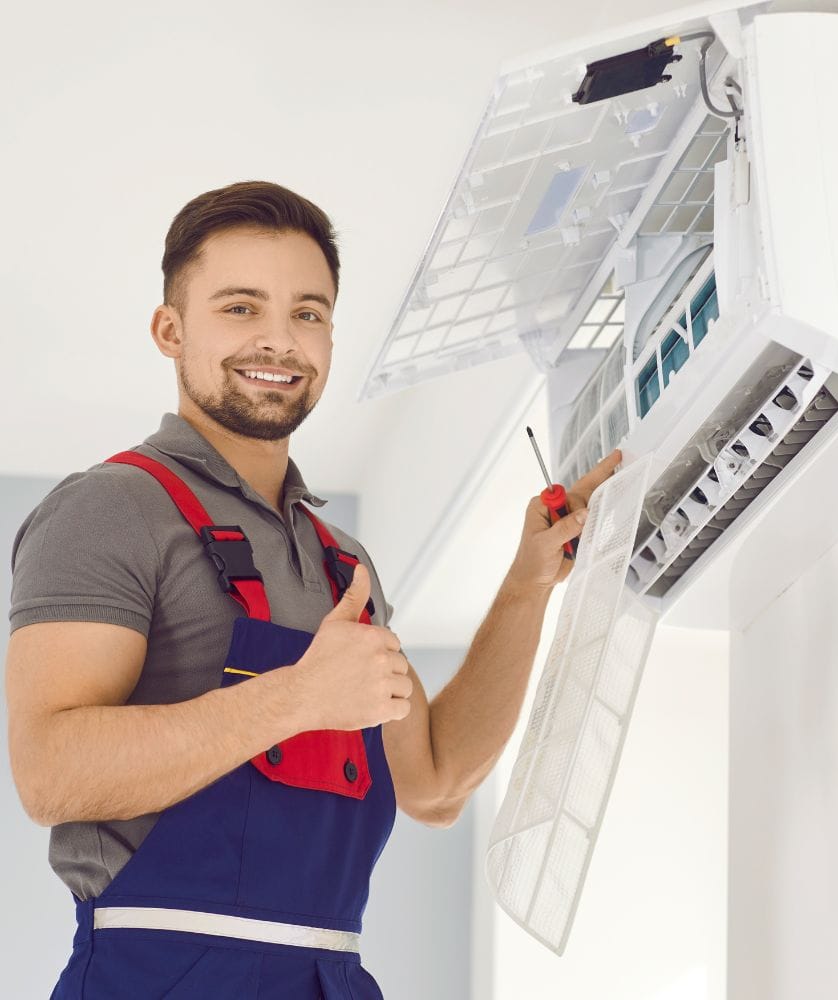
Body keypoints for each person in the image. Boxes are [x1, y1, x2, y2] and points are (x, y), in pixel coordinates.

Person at [5, 179, 622, 998]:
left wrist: (528, 582)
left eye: (308, 312)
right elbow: (51, 775)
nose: (279, 339)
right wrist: (298, 699)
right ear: (169, 329)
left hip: (329, 977)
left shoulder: (342, 564)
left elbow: (434, 783)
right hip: (158, 976)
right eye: (239, 308)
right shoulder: (111, 509)